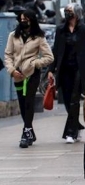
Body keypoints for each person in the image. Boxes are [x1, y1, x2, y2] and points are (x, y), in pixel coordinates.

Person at [4, 9, 54, 148]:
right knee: (22, 103)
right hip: (17, 74)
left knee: (29, 103)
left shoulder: (38, 37)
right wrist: (12, 70)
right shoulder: (13, 36)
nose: (23, 21)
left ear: (32, 20)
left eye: (26, 19)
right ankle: (30, 131)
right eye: (21, 19)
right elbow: (7, 55)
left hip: (32, 74)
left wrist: (35, 63)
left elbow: (49, 57)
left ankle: (25, 134)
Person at [48, 3, 85, 143]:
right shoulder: (60, 30)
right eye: (66, 11)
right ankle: (77, 125)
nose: (67, 13)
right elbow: (56, 51)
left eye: (69, 11)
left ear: (76, 13)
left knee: (75, 99)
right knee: (68, 100)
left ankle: (71, 132)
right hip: (64, 69)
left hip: (80, 69)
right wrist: (51, 70)